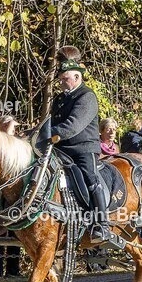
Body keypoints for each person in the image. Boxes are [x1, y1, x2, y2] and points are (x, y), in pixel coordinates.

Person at [49, 45, 109, 240]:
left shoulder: (87, 97)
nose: (61, 82)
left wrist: (47, 134)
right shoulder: (59, 99)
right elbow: (48, 123)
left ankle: (102, 223)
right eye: (60, 79)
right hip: (60, 149)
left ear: (77, 77)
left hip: (83, 148)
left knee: (90, 177)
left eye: (64, 79)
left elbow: (72, 126)